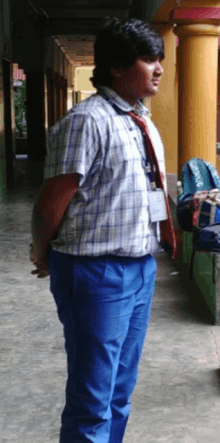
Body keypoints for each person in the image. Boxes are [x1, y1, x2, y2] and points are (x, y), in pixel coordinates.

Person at [30, 17, 175, 443]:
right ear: (116, 67)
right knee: (93, 398)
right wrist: (43, 251)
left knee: (119, 392)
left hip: (140, 268)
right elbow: (53, 199)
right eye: (148, 59)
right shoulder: (88, 121)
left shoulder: (141, 120)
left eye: (160, 59)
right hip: (97, 273)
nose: (158, 68)